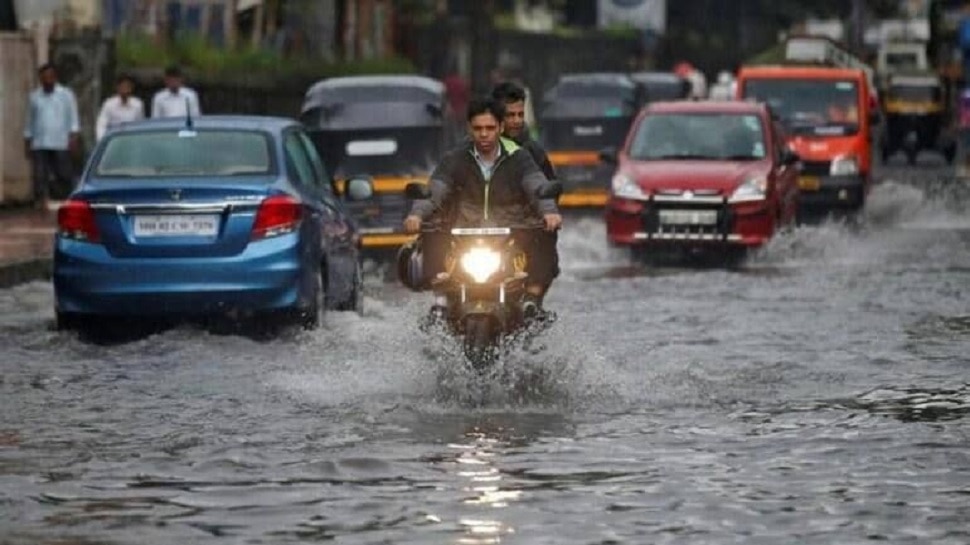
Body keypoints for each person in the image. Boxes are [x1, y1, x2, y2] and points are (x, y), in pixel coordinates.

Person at [403, 97, 563, 316]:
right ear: (470, 128)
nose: (484, 134)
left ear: (500, 127)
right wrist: (417, 215)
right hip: (464, 235)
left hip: (511, 234)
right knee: (432, 230)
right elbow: (435, 191)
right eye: (478, 128)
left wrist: (549, 212)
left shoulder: (519, 157)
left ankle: (531, 302)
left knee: (544, 236)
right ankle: (441, 301)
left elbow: (537, 186)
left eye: (490, 128)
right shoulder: (455, 159)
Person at [23, 63, 80, 210]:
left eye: (50, 76)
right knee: (40, 174)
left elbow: (73, 117)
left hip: (60, 141)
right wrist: (27, 139)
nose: (47, 79)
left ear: (55, 77)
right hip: (40, 142)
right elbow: (30, 120)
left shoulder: (66, 94)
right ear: (40, 78)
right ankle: (41, 201)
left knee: (64, 173)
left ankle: (66, 200)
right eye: (44, 77)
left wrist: (73, 137)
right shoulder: (34, 96)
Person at [95, 72, 145, 141]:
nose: (126, 88)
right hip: (114, 139)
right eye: (123, 86)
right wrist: (102, 140)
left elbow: (140, 125)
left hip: (131, 139)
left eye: (128, 86)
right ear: (118, 87)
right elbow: (101, 125)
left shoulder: (138, 104)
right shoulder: (109, 104)